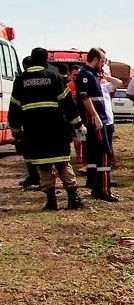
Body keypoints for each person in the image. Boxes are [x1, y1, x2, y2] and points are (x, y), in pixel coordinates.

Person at [8, 47, 86, 210]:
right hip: (56, 130)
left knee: (43, 166)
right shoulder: (54, 77)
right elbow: (67, 104)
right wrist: (77, 124)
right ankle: (73, 199)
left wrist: (17, 132)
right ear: (45, 60)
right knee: (63, 163)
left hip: (33, 132)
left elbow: (14, 109)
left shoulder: (20, 80)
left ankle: (51, 202)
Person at [75, 47, 118, 202]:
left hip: (98, 119)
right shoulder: (86, 75)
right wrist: (96, 117)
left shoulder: (92, 74)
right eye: (103, 60)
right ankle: (104, 190)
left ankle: (95, 185)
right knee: (105, 153)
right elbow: (85, 99)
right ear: (96, 59)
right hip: (96, 121)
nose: (103, 63)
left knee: (94, 154)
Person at [16, 55, 41, 190]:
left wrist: (15, 126)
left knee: (30, 152)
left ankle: (36, 177)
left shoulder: (22, 80)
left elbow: (16, 104)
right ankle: (35, 176)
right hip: (41, 122)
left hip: (28, 123)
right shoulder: (46, 78)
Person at [97, 66, 122, 167]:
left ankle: (108, 165)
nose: (100, 76)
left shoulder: (105, 86)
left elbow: (119, 83)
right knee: (100, 146)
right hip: (99, 120)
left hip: (108, 120)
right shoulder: (91, 86)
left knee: (108, 145)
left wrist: (107, 77)